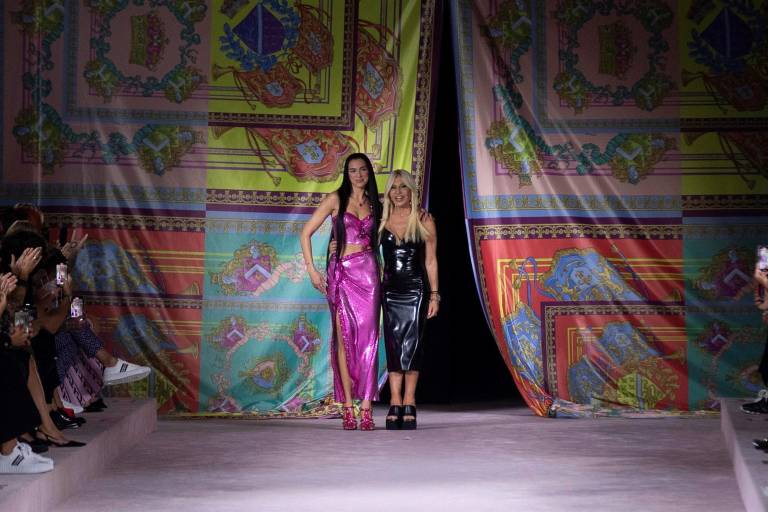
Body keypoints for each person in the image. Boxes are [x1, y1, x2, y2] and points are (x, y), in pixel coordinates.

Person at [300, 153, 382, 430]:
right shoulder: (335, 198)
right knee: (344, 340)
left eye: (363, 170)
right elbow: (306, 232)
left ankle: (366, 407)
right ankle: (348, 406)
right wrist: (312, 270)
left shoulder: (375, 203)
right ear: (346, 174)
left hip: (369, 277)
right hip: (343, 275)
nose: (358, 175)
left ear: (369, 172)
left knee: (369, 341)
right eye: (353, 170)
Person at [378, 170, 438, 430]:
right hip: (389, 291)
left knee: (412, 345)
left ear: (412, 190)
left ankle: (410, 401)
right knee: (393, 345)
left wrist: (435, 294)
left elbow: (431, 260)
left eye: (403, 187)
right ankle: (394, 401)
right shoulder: (380, 220)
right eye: (394, 187)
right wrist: (337, 246)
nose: (398, 192)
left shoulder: (424, 219)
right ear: (388, 192)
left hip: (416, 290)